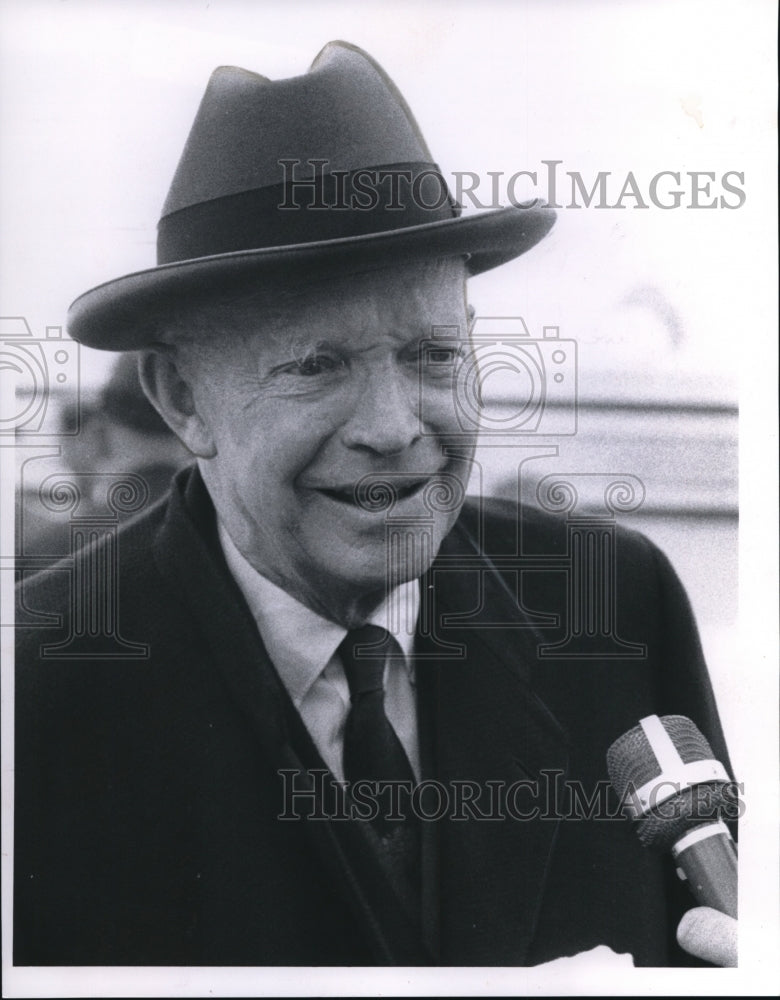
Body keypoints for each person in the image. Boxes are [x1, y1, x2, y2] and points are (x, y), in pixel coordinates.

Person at [14, 40, 736, 968]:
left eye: (433, 356)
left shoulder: (617, 604)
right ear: (182, 399)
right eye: (317, 366)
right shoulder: (36, 692)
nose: (395, 427)